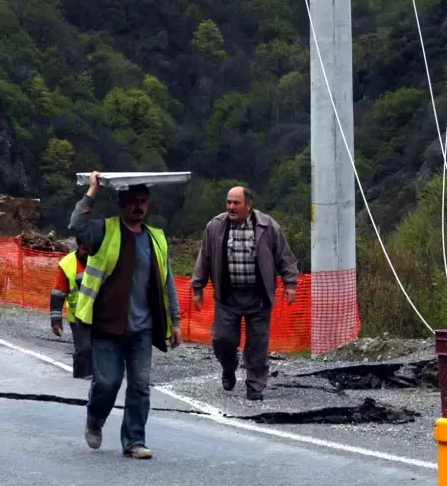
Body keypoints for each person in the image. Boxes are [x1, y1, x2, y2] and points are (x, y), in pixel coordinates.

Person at [69, 172, 182, 460]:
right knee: (107, 382)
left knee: (140, 386)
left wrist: (176, 322)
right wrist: (92, 191)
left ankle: (134, 440)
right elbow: (76, 225)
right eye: (133, 202)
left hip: (142, 329)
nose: (138, 207)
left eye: (143, 202)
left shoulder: (156, 239)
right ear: (122, 203)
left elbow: (167, 281)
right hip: (107, 324)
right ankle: (95, 420)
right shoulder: (104, 231)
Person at [191, 186, 299, 400]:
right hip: (227, 297)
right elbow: (204, 258)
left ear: (249, 205)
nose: (231, 207)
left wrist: (290, 284)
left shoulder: (268, 227)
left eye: (236, 203)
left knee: (257, 343)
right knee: (222, 339)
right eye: (229, 202)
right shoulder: (215, 226)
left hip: (258, 297)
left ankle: (255, 385)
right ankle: (229, 369)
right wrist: (197, 287)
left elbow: (284, 256)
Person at [50, 240, 92, 379]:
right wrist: (56, 321)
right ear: (79, 246)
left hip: (102, 315)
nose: (88, 254)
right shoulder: (67, 264)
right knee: (84, 349)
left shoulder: (102, 259)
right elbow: (58, 293)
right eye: (85, 249)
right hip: (78, 317)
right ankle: (80, 380)